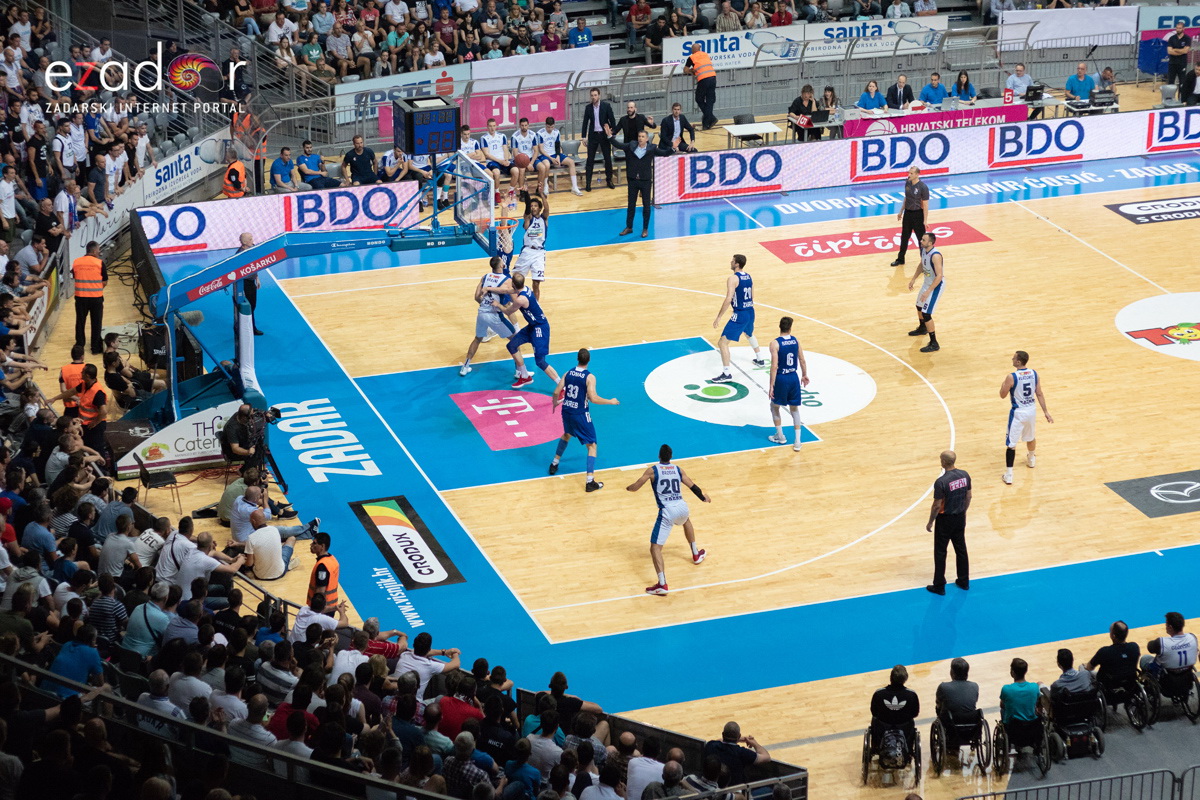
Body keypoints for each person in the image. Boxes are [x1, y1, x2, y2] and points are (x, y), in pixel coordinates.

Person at [626, 444, 709, 596]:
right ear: (671, 457)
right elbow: (693, 486)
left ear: (659, 456)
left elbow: (636, 486)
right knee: (686, 521)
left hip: (667, 511)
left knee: (655, 548)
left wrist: (628, 488)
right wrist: (703, 497)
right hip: (682, 507)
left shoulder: (653, 470)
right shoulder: (677, 469)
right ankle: (696, 554)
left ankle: (662, 585)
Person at [548, 348, 619, 493]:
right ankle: (590, 482)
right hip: (580, 413)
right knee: (592, 445)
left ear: (577, 359)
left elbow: (556, 392)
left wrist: (555, 403)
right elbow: (593, 398)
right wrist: (610, 401)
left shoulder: (568, 373)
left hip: (566, 411)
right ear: (589, 360)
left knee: (567, 434)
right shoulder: (589, 377)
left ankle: (554, 463)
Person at [496, 273, 560, 389]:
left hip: (540, 328)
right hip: (532, 326)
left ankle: (562, 387)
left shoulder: (520, 299)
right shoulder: (525, 289)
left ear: (514, 285)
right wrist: (488, 289)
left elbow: (508, 312)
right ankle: (524, 376)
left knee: (540, 361)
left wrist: (497, 304)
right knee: (512, 346)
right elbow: (507, 291)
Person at [1000, 350, 1052, 485]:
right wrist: (1046, 411)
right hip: (1031, 410)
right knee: (1030, 436)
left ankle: (1009, 475)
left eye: (1014, 358)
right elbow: (1039, 393)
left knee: (1011, 444)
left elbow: (1002, 395)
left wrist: (1003, 384)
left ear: (1018, 361)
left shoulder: (1011, 377)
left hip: (1018, 412)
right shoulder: (1034, 373)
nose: (1012, 358)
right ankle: (1031, 459)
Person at [609, 129, 673, 239]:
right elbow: (618, 144)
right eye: (639, 136)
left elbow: (664, 153)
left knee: (646, 206)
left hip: (645, 181)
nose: (640, 138)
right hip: (633, 180)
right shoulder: (631, 145)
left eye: (643, 136)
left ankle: (645, 229)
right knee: (631, 205)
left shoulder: (652, 148)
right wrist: (609, 136)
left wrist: (673, 148)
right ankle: (629, 227)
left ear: (647, 139)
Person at [459, 256, 517, 377]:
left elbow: (476, 297)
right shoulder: (507, 280)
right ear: (501, 266)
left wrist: (484, 303)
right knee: (515, 340)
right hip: (495, 315)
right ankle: (520, 372)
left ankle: (465, 367)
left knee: (477, 339)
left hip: (481, 313)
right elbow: (512, 295)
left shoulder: (485, 277)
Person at [710, 254, 763, 382]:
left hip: (741, 313)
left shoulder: (733, 278)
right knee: (748, 333)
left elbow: (729, 299)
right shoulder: (749, 276)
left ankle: (726, 373)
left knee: (722, 342)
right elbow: (752, 295)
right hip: (750, 311)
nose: (730, 262)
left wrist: (719, 317)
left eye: (732, 261)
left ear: (737, 264)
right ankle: (760, 359)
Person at [925, 449, 970, 595]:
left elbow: (937, 505)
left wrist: (931, 521)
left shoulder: (941, 482)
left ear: (943, 462)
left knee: (940, 552)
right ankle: (964, 581)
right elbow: (969, 496)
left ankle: (939, 585)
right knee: (961, 550)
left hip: (945, 520)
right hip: (960, 517)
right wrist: (963, 511)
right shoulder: (965, 475)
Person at [767, 317, 808, 451]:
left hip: (781, 378)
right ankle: (797, 442)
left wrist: (771, 385)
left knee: (774, 406)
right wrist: (804, 375)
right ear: (790, 328)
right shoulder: (796, 341)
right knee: (794, 409)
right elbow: (802, 360)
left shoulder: (775, 343)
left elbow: (774, 366)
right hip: (793, 377)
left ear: (779, 326)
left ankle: (780, 436)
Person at [870, 665, 919, 757]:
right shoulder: (911, 695)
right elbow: (915, 713)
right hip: (904, 727)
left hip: (883, 726)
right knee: (911, 721)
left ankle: (876, 746)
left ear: (890, 677)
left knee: (874, 719)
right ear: (905, 679)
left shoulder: (879, 693)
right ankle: (908, 747)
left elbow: (874, 712)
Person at [906, 231, 942, 352]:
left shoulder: (936, 255)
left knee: (926, 313)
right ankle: (923, 328)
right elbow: (922, 265)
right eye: (921, 239)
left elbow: (939, 276)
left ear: (930, 243)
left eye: (923, 240)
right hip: (927, 283)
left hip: (936, 285)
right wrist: (913, 279)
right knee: (919, 306)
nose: (921, 241)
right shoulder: (924, 251)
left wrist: (928, 291)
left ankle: (934, 343)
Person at [512, 190, 549, 299]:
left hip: (539, 253)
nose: (533, 207)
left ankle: (536, 304)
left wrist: (542, 195)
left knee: (536, 283)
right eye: (531, 206)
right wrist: (527, 193)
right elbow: (527, 211)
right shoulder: (528, 218)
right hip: (527, 251)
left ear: (539, 208)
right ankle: (513, 300)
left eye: (535, 206)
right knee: (516, 278)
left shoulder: (544, 219)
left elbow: (547, 209)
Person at [71, 240, 105, 355]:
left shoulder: (76, 262)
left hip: (80, 298)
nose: (99, 252)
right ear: (94, 250)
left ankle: (80, 345)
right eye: (98, 250)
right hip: (96, 298)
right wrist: (96, 288)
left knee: (80, 322)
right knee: (96, 323)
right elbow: (104, 281)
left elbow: (75, 276)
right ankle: (95, 348)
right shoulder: (99, 263)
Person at [1140, 611, 1198, 678]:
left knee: (1145, 658)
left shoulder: (1161, 643)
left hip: (1168, 681)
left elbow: (1150, 647)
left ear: (1170, 627)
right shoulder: (1192, 637)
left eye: (1166, 625)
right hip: (1187, 679)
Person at [533, 117, 581, 196]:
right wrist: (551, 158)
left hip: (554, 154)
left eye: (552, 127)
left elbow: (557, 146)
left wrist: (558, 156)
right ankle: (545, 186)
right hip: (544, 155)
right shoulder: (540, 133)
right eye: (548, 127)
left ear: (554, 125)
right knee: (547, 165)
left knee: (571, 162)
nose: (550, 129)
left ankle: (574, 187)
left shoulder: (556, 132)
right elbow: (541, 149)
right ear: (545, 125)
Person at [1087, 621, 1140, 691]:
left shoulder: (1104, 652)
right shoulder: (1134, 647)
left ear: (1113, 636)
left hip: (1108, 686)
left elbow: (1089, 668)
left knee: (1083, 669)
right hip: (1130, 684)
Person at [891, 166, 928, 267]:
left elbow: (925, 205)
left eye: (911, 173)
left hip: (918, 215)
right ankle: (900, 259)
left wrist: (925, 220)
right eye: (909, 173)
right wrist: (901, 211)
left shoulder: (923, 187)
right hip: (908, 214)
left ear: (917, 174)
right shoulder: (907, 182)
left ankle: (924, 262)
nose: (909, 175)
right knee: (904, 238)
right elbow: (906, 198)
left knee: (921, 240)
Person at [580, 88, 615, 192]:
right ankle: (588, 183)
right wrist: (583, 136)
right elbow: (585, 122)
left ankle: (609, 180)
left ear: (599, 95)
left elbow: (612, 120)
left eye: (595, 95)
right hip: (593, 136)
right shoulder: (588, 108)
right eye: (592, 95)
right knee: (590, 160)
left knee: (607, 159)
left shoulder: (606, 106)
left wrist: (612, 132)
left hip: (604, 135)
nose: (593, 97)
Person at [999, 658, 1041, 736]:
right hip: (1032, 726)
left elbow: (1002, 705)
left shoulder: (1006, 689)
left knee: (1002, 711)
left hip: (1013, 728)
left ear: (1012, 672)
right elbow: (1037, 702)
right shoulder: (1034, 687)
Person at [683, 43, 717, 130]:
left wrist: (692, 70)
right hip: (713, 77)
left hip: (703, 79)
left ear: (693, 50)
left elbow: (685, 70)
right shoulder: (706, 55)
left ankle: (712, 118)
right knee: (710, 100)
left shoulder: (692, 57)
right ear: (700, 49)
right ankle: (706, 123)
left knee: (699, 99)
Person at [480, 117, 517, 197]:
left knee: (516, 170)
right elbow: (487, 154)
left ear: (496, 126)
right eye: (490, 126)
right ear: (487, 127)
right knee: (496, 173)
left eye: (493, 126)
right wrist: (500, 161)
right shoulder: (484, 138)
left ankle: (511, 191)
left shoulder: (502, 136)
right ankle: (496, 193)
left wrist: (506, 160)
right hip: (492, 161)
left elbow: (505, 149)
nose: (492, 128)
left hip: (503, 160)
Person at [935, 658, 978, 723]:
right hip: (971, 722)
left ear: (952, 672)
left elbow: (938, 705)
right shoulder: (974, 686)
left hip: (951, 724)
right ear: (967, 674)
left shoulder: (943, 687)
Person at [307, 531, 341, 606]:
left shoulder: (322, 566)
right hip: (332, 603)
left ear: (322, 546)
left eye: (314, 543)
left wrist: (315, 609)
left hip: (322, 608)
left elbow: (320, 591)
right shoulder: (332, 559)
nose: (311, 545)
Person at [1166, 20, 1191, 96]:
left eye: (1180, 28)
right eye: (1177, 28)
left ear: (1183, 29)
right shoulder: (1172, 38)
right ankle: (1170, 97)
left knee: (1182, 82)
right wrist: (1180, 51)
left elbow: (1186, 51)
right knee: (1170, 81)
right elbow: (1169, 51)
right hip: (1172, 63)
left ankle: (1181, 97)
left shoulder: (1187, 38)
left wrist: (1175, 49)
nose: (1178, 30)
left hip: (1182, 63)